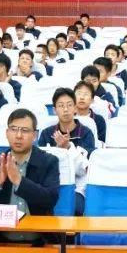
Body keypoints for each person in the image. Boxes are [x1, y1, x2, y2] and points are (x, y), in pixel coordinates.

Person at [0, 109, 60, 244]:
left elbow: (50, 199)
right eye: (14, 129)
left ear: (35, 135)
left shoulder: (49, 161)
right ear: (7, 133)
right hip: (1, 241)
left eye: (25, 131)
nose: (18, 135)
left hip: (39, 241)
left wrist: (19, 181)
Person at [38, 88, 95, 216]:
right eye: (61, 106)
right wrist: (59, 150)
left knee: (75, 208)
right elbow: (40, 163)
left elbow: (86, 169)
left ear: (75, 108)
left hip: (77, 186)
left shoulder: (86, 133)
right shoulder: (47, 133)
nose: (65, 109)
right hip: (50, 184)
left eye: (69, 105)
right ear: (54, 110)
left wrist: (67, 147)